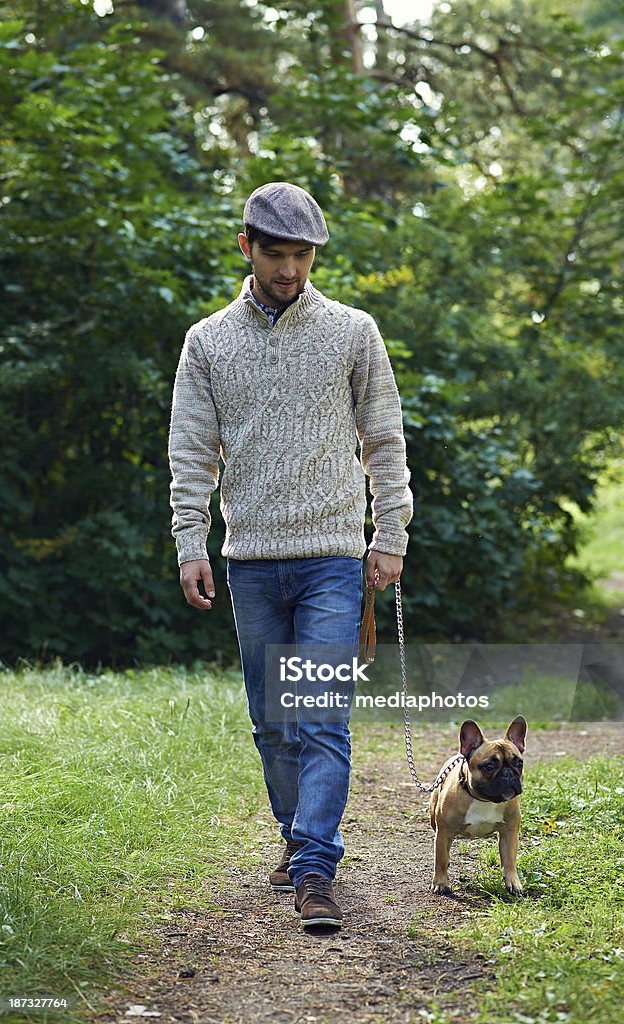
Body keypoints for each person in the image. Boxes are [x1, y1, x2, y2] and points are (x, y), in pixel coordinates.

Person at [168, 181, 412, 930]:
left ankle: (314, 867)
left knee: (320, 719)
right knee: (272, 722)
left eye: (301, 255)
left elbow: (383, 437)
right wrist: (190, 540)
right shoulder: (207, 341)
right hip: (249, 560)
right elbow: (189, 450)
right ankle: (294, 834)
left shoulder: (352, 331)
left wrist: (390, 532)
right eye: (276, 254)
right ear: (246, 246)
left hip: (333, 557)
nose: (289, 270)